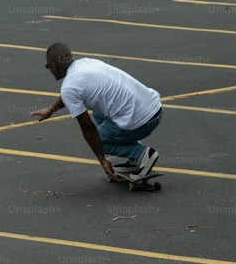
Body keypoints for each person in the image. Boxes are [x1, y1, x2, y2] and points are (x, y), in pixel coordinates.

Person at [31, 42, 162, 182]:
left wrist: (102, 160)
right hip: (155, 108)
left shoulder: (69, 87)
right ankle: (133, 158)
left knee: (98, 141)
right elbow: (72, 94)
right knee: (98, 113)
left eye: (48, 66)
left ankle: (142, 154)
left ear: (53, 66)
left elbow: (89, 129)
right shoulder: (87, 63)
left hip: (142, 122)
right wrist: (51, 110)